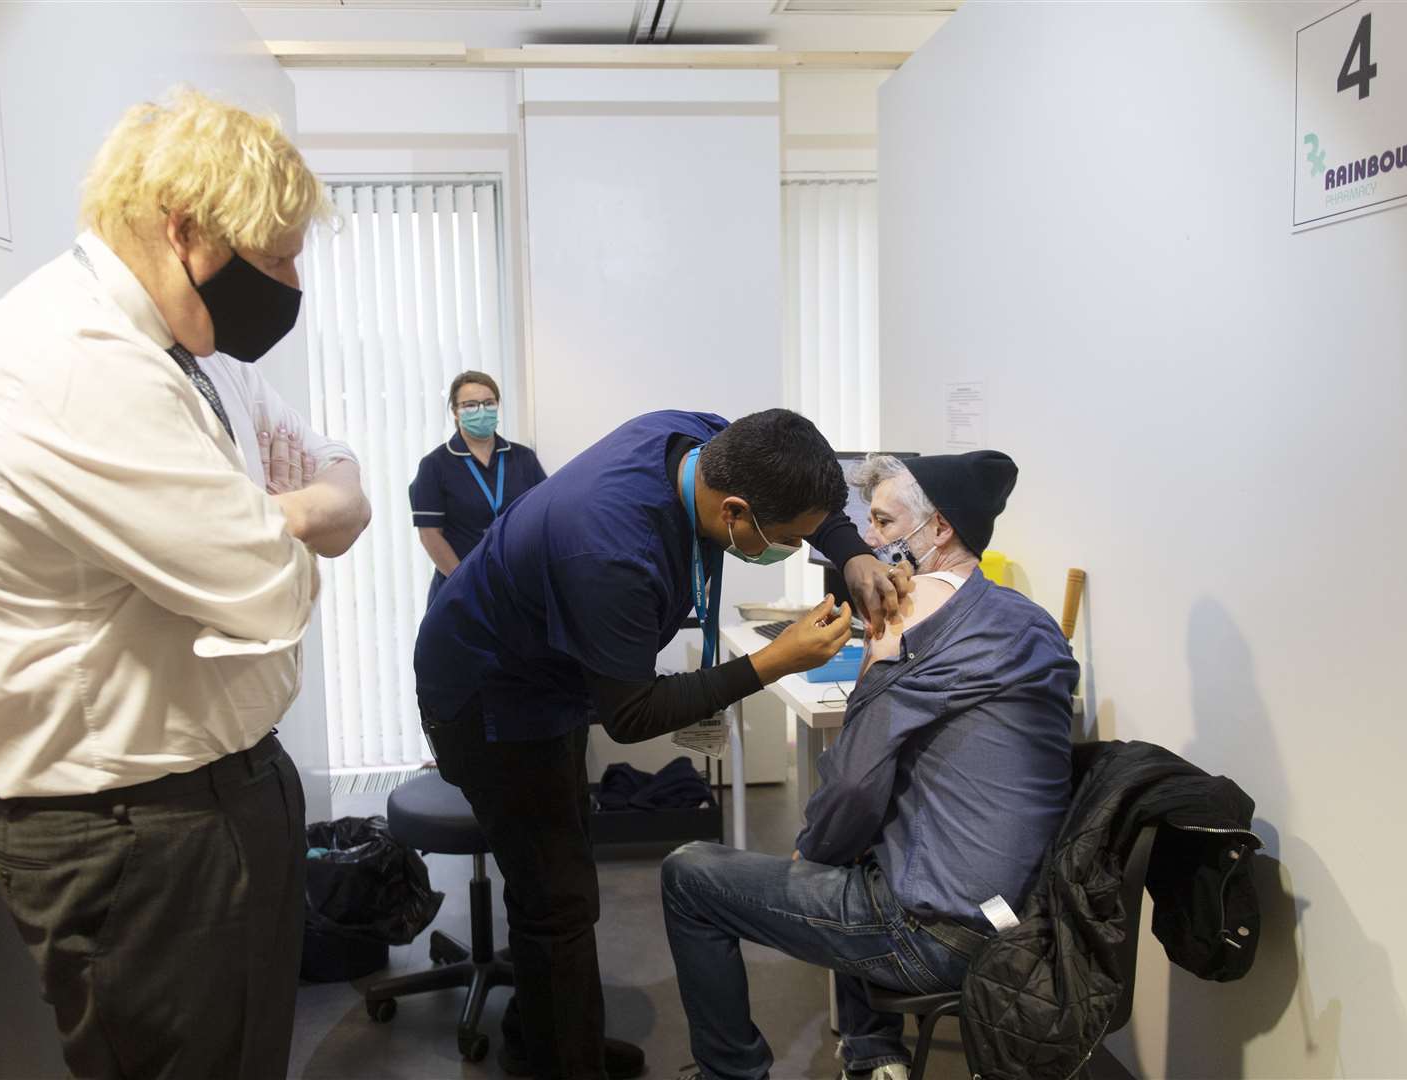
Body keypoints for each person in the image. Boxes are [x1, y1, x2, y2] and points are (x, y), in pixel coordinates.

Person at [0, 89, 369, 1079]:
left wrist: (285, 510)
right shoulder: (69, 364)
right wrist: (290, 521)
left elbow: (337, 473)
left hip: (218, 799)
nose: (294, 284)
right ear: (184, 230)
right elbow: (269, 590)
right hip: (141, 839)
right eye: (277, 258)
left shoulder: (193, 353)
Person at [414, 409, 914, 1080]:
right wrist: (774, 661)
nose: (796, 550)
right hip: (488, 698)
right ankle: (563, 1062)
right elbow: (631, 712)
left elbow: (804, 493)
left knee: (557, 876)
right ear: (735, 513)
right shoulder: (609, 549)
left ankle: (542, 1038)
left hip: (546, 675)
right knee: (557, 899)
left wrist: (851, 552)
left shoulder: (704, 439)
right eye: (789, 539)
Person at [660, 450, 1078, 1080]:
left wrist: (812, 849)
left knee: (690, 874)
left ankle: (731, 1072)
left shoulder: (906, 613)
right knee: (860, 841)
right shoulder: (1029, 619)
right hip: (1030, 922)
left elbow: (853, 782)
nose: (866, 544)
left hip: (941, 935)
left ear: (938, 529)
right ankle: (874, 1051)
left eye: (881, 523)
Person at [410, 370, 546, 606]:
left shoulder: (523, 458)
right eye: (470, 405)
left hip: (516, 584)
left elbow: (542, 517)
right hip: (460, 588)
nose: (481, 411)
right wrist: (464, 583)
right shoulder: (435, 465)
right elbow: (430, 535)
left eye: (488, 403)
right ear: (455, 411)